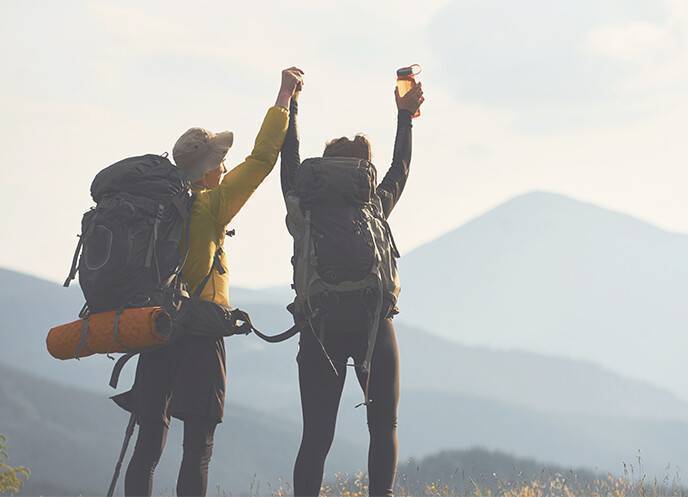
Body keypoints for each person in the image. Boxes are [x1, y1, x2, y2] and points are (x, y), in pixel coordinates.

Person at [111, 67, 305, 497]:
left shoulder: (158, 209)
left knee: (147, 447)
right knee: (198, 447)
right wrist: (284, 96)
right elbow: (261, 159)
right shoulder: (211, 207)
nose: (224, 166)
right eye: (219, 161)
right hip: (200, 330)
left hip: (156, 326)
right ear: (207, 169)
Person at [280, 81, 425, 497]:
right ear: (363, 172)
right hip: (373, 324)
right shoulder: (373, 205)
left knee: (316, 438)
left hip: (320, 327)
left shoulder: (302, 206)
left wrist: (291, 107)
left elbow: (288, 163)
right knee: (384, 428)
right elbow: (401, 167)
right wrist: (404, 116)